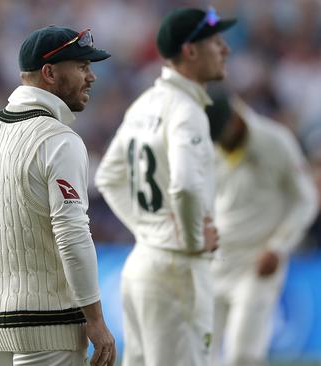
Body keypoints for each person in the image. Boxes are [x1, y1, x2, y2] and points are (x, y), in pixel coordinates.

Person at [0, 25, 116, 366]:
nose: (92, 77)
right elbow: (72, 235)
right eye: (83, 67)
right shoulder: (59, 140)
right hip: (49, 325)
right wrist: (96, 319)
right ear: (50, 72)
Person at [95, 7, 235, 366]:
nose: (225, 49)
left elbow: (108, 176)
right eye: (215, 42)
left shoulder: (145, 104)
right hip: (177, 269)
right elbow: (185, 186)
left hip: (142, 263)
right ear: (190, 51)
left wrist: (151, 229)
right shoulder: (187, 111)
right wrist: (188, 240)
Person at [206, 90, 319, 366]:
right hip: (216, 262)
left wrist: (278, 248)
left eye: (221, 135)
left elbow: (306, 200)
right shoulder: (210, 143)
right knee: (201, 353)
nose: (219, 143)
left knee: (242, 355)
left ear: (235, 121)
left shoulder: (275, 140)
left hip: (258, 263)